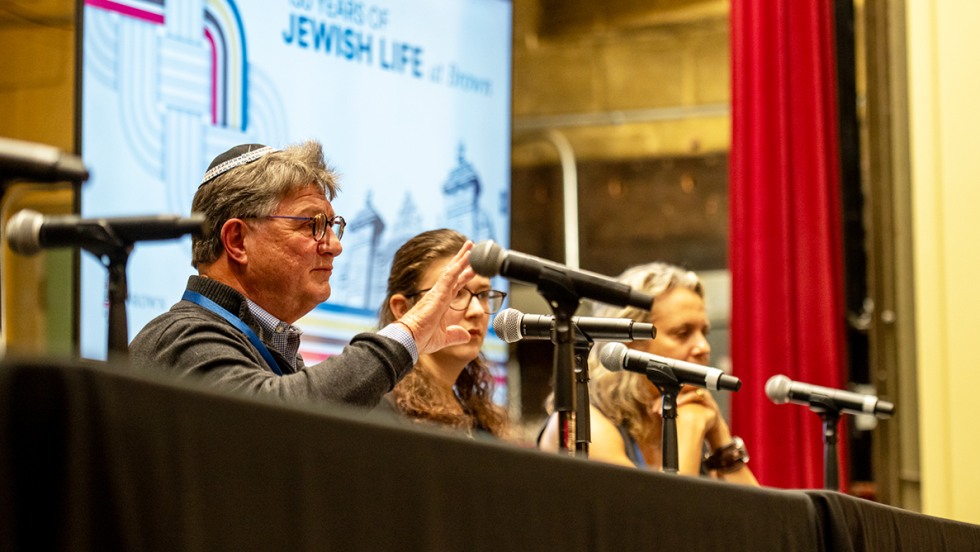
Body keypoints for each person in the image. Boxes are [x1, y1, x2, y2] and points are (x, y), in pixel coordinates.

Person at [129, 141, 476, 408]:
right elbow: (282, 418)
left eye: (332, 226)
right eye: (312, 225)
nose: (334, 246)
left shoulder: (265, 341)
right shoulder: (181, 336)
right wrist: (409, 333)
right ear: (237, 240)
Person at [539, 262, 759, 485]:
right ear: (629, 342)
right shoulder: (585, 424)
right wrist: (690, 427)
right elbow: (657, 517)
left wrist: (720, 438)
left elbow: (756, 516)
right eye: (683, 333)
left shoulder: (684, 410)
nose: (704, 347)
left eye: (704, 332)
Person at [378, 229, 509, 438]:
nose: (477, 311)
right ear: (403, 309)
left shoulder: (480, 418)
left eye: (483, 294)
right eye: (455, 293)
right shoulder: (378, 407)